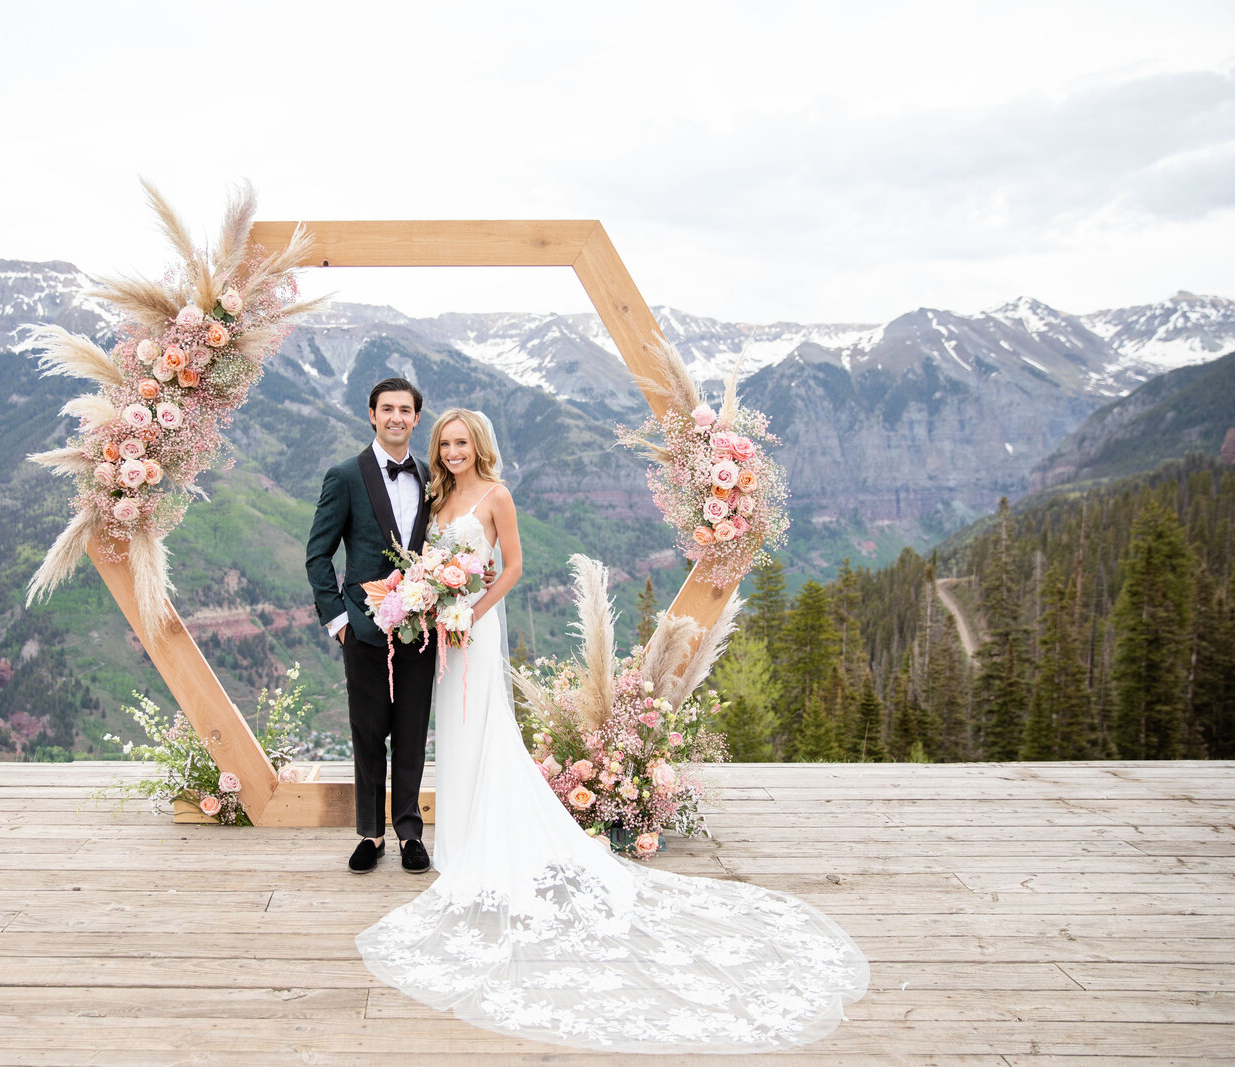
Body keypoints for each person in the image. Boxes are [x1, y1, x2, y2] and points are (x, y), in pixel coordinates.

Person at [355, 409, 871, 1054]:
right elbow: (434, 563)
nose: (452, 451)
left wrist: (470, 610)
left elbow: (511, 567)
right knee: (454, 735)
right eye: (445, 444)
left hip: (474, 631)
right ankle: (458, 840)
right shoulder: (439, 496)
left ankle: (485, 842)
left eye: (461, 443)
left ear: (479, 447)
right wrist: (431, 600)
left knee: (484, 728)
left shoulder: (496, 496)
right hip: (446, 631)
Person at [305, 378, 436, 875]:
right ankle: (370, 833)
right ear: (371, 414)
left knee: (411, 732)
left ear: (416, 418)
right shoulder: (344, 476)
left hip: (421, 628)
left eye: (406, 410)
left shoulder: (430, 477)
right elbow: (318, 555)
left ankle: (408, 831)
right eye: (388, 409)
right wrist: (339, 621)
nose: (396, 417)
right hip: (362, 630)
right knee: (367, 732)